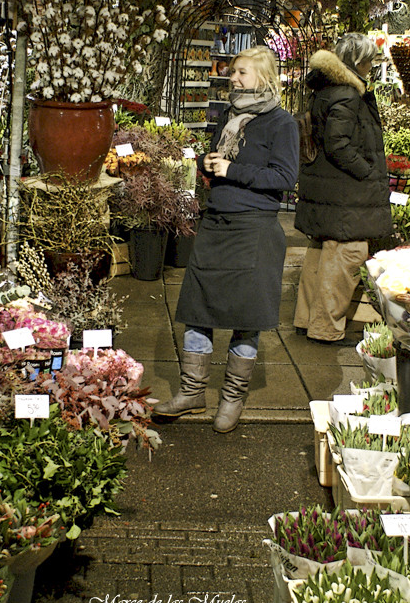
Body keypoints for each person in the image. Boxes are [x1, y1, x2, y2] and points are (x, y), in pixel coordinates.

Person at [154, 46, 299, 434]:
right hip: (217, 223)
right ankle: (192, 392)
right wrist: (207, 162)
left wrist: (232, 169)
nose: (233, 78)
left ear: (265, 78)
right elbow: (220, 157)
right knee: (197, 309)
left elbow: (284, 178)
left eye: (242, 73)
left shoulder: (282, 123)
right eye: (233, 71)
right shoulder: (228, 115)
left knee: (245, 318)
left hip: (254, 229)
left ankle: (232, 398)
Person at [294, 33, 392, 346]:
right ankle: (325, 328)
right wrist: (368, 171)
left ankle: (307, 319)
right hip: (345, 193)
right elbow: (337, 144)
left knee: (321, 253)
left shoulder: (327, 89)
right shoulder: (348, 95)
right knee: (347, 255)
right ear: (356, 61)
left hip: (329, 190)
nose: (371, 66)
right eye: (368, 60)